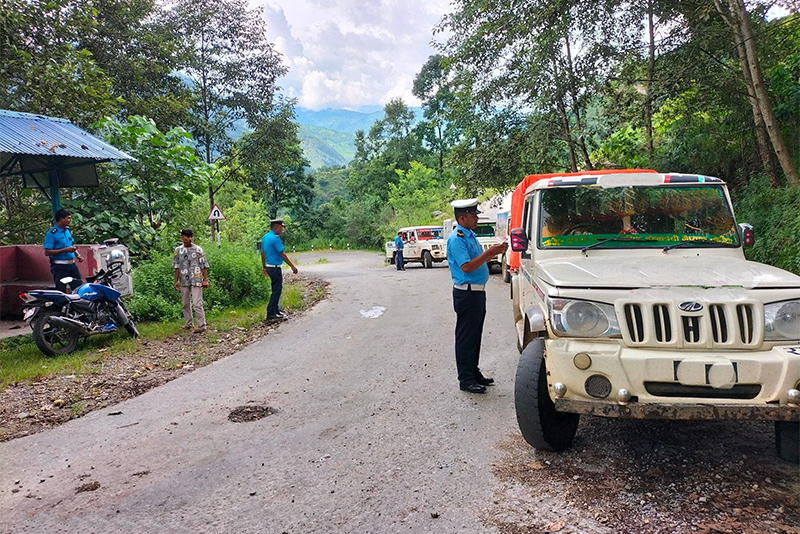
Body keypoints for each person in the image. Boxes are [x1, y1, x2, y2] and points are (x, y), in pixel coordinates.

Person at [447, 199, 509, 394]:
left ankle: (473, 372)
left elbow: (476, 261)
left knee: (475, 335)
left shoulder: (469, 235)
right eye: (474, 216)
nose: (477, 219)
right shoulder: (457, 239)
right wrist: (489, 252)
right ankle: (465, 379)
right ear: (462, 218)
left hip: (476, 292)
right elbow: (466, 267)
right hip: (466, 293)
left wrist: (494, 252)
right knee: (466, 337)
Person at [172, 229, 209, 333]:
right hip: (184, 279)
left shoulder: (198, 249)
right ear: (182, 237)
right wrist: (176, 281)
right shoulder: (178, 250)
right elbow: (177, 266)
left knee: (197, 303)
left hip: (196, 279)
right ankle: (189, 323)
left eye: (190, 237)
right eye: (187, 237)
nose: (189, 239)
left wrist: (205, 279)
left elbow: (204, 265)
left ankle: (202, 325)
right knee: (185, 303)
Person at [261, 218, 299, 321]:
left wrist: (264, 266)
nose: (283, 230)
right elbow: (282, 253)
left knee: (275, 289)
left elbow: (263, 253)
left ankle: (276, 310)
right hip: (275, 267)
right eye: (282, 227)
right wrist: (292, 266)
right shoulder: (275, 238)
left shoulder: (265, 237)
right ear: (277, 227)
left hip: (269, 267)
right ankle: (271, 313)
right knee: (277, 290)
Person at [43, 209, 84, 293]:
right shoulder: (52, 234)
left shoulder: (67, 231)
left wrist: (77, 254)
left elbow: (71, 245)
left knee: (79, 288)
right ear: (61, 219)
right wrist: (65, 250)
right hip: (59, 267)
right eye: (68, 218)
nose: (70, 220)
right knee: (61, 290)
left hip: (72, 265)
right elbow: (47, 252)